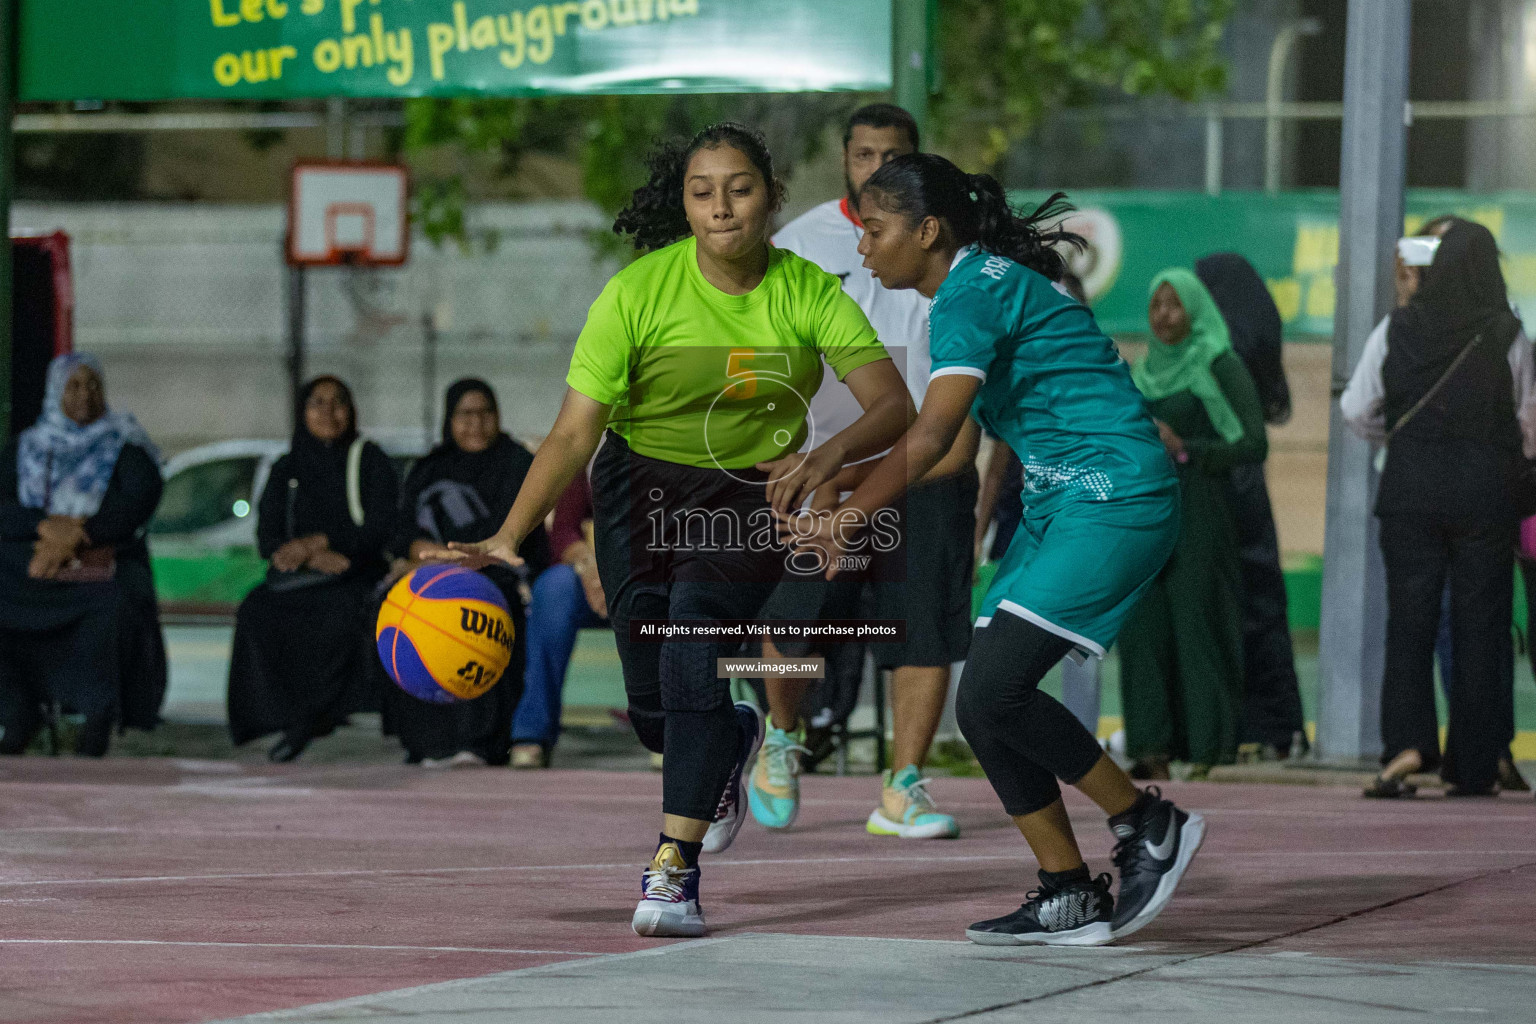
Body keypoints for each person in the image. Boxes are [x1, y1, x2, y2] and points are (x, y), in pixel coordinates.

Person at [434, 123, 911, 939]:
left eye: (740, 188)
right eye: (703, 191)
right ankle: (732, 735)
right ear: (684, 205)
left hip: (748, 493)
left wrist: (823, 458)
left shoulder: (807, 292)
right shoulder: (636, 295)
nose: (722, 206)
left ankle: (673, 869)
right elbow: (573, 435)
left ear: (769, 197)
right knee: (655, 703)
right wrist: (509, 533)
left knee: (693, 648)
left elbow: (893, 405)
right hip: (636, 488)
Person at [786, 153, 1203, 946]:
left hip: (1110, 495)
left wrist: (846, 514)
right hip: (1063, 499)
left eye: (874, 230)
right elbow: (947, 456)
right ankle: (1068, 890)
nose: (864, 247)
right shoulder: (977, 287)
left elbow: (935, 433)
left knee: (995, 691)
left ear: (928, 229)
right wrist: (836, 472)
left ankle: (1148, 824)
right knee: (984, 705)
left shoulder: (971, 292)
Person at [750, 103, 978, 839]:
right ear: (845, 159)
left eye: (892, 156)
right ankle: (780, 739)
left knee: (925, 626)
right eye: (863, 155)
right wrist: (805, 465)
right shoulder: (801, 244)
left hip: (929, 466)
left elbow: (956, 433)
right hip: (827, 460)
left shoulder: (954, 265)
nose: (876, 168)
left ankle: (902, 785)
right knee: (792, 611)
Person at [1340, 221, 1533, 798]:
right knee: (1480, 627)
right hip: (1484, 495)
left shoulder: (1397, 327)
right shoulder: (1507, 334)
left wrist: (1407, 441)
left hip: (1408, 492)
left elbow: (1357, 408)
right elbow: (1530, 427)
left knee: (1410, 622)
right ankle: (1473, 764)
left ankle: (1406, 748)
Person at [1117, 269, 1268, 780]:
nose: (1163, 316)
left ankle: (1208, 748)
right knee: (1142, 627)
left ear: (1196, 309)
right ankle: (1151, 747)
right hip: (1145, 510)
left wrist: (1187, 449)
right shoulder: (1141, 371)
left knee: (1197, 624)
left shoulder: (1220, 364)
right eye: (1156, 305)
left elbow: (1253, 443)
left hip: (1201, 508)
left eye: (1175, 305)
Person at [227, 376, 398, 762]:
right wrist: (309, 554)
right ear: (302, 412)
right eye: (317, 403)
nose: (328, 412)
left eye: (338, 402)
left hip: (357, 574)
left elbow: (381, 526)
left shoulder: (369, 460)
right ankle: (278, 718)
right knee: (256, 611)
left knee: (339, 613)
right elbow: (267, 537)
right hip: (300, 577)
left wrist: (322, 541)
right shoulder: (286, 467)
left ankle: (316, 715)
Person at [0, 354, 165, 756]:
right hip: (28, 567)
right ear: (54, 392)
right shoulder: (27, 447)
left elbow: (138, 501)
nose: (85, 394)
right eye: (73, 385)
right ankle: (16, 710)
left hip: (98, 567)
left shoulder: (125, 446)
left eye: (93, 385)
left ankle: (96, 717)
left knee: (113, 606)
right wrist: (45, 528)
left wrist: (72, 537)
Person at [384, 379, 550, 767]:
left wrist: (449, 563)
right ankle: (425, 740)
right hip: (429, 573)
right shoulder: (429, 467)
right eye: (465, 414)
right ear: (449, 418)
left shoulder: (516, 463)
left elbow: (514, 534)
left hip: (499, 571)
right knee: (393, 609)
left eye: (485, 413)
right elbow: (402, 530)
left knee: (472, 615)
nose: (475, 423)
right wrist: (423, 556)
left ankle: (478, 741)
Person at [1195, 252, 1308, 760]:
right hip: (1248, 483)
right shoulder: (1257, 336)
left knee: (1224, 601)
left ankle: (1231, 727)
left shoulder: (1215, 350)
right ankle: (1278, 726)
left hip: (1218, 482)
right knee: (1262, 601)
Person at [511, 473, 605, 769]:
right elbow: (564, 531)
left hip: (653, 569)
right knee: (554, 588)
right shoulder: (582, 452)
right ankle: (533, 731)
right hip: (592, 574)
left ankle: (673, 729)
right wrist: (590, 569)